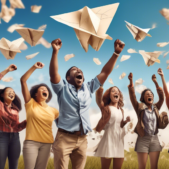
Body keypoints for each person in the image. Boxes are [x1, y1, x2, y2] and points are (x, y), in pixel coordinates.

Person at [49, 38, 125, 169]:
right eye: (74, 70)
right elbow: (53, 73)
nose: (79, 71)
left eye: (80, 71)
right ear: (68, 78)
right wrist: (55, 52)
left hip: (82, 139)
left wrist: (116, 53)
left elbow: (105, 72)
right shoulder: (62, 88)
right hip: (64, 138)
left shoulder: (88, 88)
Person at [20, 62, 59, 169]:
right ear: (35, 94)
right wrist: (34, 67)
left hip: (47, 144)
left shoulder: (54, 111)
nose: (44, 89)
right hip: (31, 143)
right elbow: (23, 81)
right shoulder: (30, 103)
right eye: (41, 89)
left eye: (46, 89)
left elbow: (63, 124)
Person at [0, 64, 26, 169]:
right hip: (1, 137)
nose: (12, 93)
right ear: (2, 95)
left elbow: (16, 127)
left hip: (15, 138)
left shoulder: (15, 110)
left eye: (13, 92)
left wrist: (27, 122)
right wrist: (7, 70)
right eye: (9, 91)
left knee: (14, 167)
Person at [128, 72, 169, 169]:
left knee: (154, 167)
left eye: (151, 94)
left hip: (154, 139)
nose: (149, 95)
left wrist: (155, 82)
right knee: (142, 167)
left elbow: (162, 97)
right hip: (143, 139)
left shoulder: (156, 107)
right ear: (143, 98)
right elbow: (133, 96)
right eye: (147, 94)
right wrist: (131, 81)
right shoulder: (139, 107)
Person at [94, 86, 131, 169]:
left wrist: (125, 122)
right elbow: (99, 101)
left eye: (117, 91)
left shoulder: (121, 110)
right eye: (113, 91)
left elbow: (119, 125)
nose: (116, 92)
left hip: (119, 140)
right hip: (108, 140)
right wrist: (99, 92)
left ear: (119, 95)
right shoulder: (106, 108)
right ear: (109, 95)